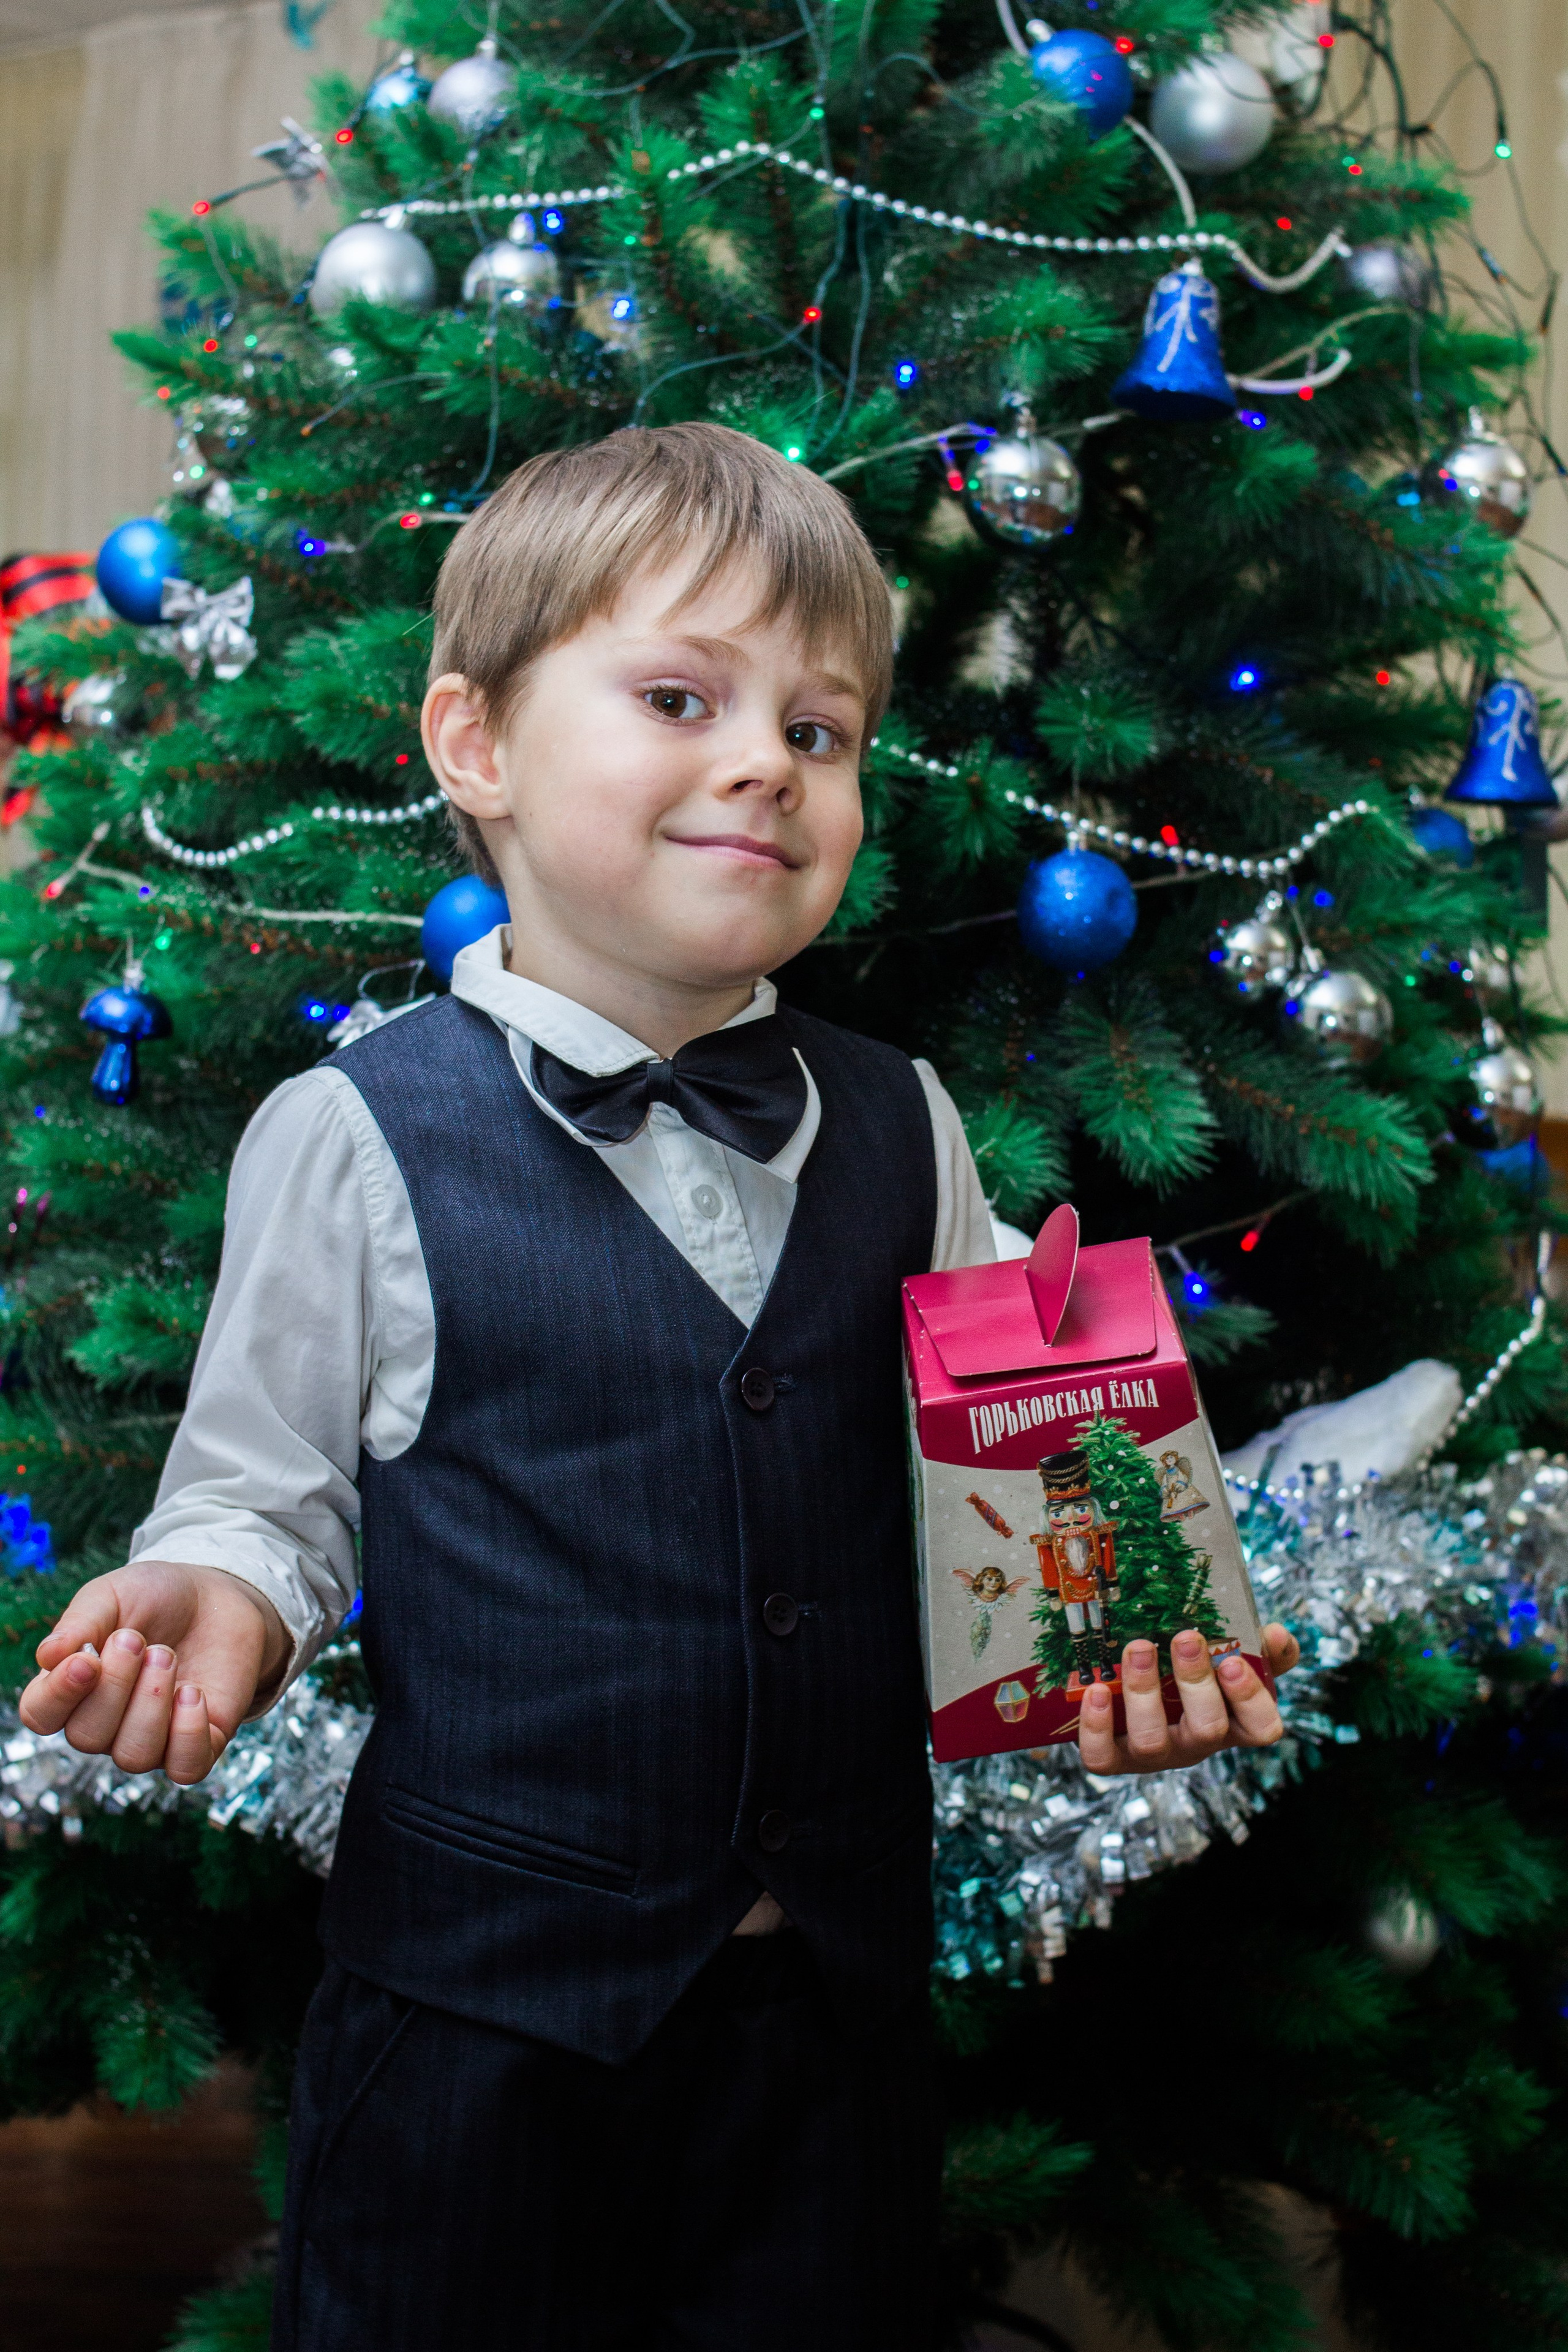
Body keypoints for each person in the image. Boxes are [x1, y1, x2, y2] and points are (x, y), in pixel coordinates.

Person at [19, 424, 1300, 2350]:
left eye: (825, 729)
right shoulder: (352, 1132)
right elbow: (255, 1494)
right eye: (681, 696)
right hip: (480, 2025)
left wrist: (1123, 1644)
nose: (767, 763)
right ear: (476, 748)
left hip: (828, 2032)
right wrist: (216, 1600)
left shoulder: (909, 1122)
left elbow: (1020, 1509)